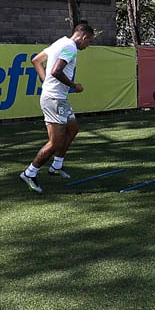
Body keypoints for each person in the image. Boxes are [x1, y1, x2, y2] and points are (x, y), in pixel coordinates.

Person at [19, 21, 94, 192]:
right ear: (83, 37)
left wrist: (45, 80)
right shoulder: (71, 47)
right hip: (54, 99)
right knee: (55, 142)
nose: (87, 45)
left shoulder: (60, 42)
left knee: (73, 129)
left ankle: (56, 166)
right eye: (89, 42)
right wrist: (74, 85)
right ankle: (30, 172)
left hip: (59, 98)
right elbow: (56, 71)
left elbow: (36, 60)